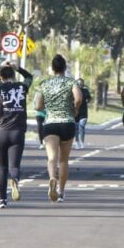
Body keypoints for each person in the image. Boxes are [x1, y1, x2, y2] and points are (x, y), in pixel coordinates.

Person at [0, 61, 33, 208]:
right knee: (14, 166)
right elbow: (29, 77)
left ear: (0, 77)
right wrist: (19, 68)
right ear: (13, 76)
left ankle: (2, 200)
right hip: (17, 132)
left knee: (2, 167)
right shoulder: (22, 87)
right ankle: (14, 178)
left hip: (0, 132)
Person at [34, 54, 82, 203]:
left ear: (52, 68)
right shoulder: (71, 82)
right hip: (67, 122)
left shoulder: (45, 84)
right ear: (64, 68)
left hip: (50, 123)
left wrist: (46, 106)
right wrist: (75, 109)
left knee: (52, 158)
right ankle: (61, 191)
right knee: (63, 160)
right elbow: (79, 98)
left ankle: (52, 178)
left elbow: (37, 106)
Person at [74, 77, 93, 149]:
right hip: (75, 112)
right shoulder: (73, 91)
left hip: (83, 112)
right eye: (78, 83)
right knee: (76, 128)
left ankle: (81, 142)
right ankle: (77, 142)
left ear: (83, 84)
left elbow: (89, 98)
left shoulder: (85, 91)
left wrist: (87, 100)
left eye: (81, 83)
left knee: (81, 126)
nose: (80, 84)